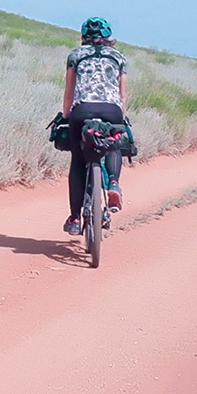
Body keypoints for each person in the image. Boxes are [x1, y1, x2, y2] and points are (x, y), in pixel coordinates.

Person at [60, 16, 127, 236]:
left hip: (83, 110)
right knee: (114, 143)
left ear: (83, 37)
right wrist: (121, 117)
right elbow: (122, 94)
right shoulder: (118, 57)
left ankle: (75, 218)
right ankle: (114, 184)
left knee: (78, 162)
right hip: (112, 109)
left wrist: (66, 115)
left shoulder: (76, 55)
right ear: (107, 38)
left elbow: (69, 92)